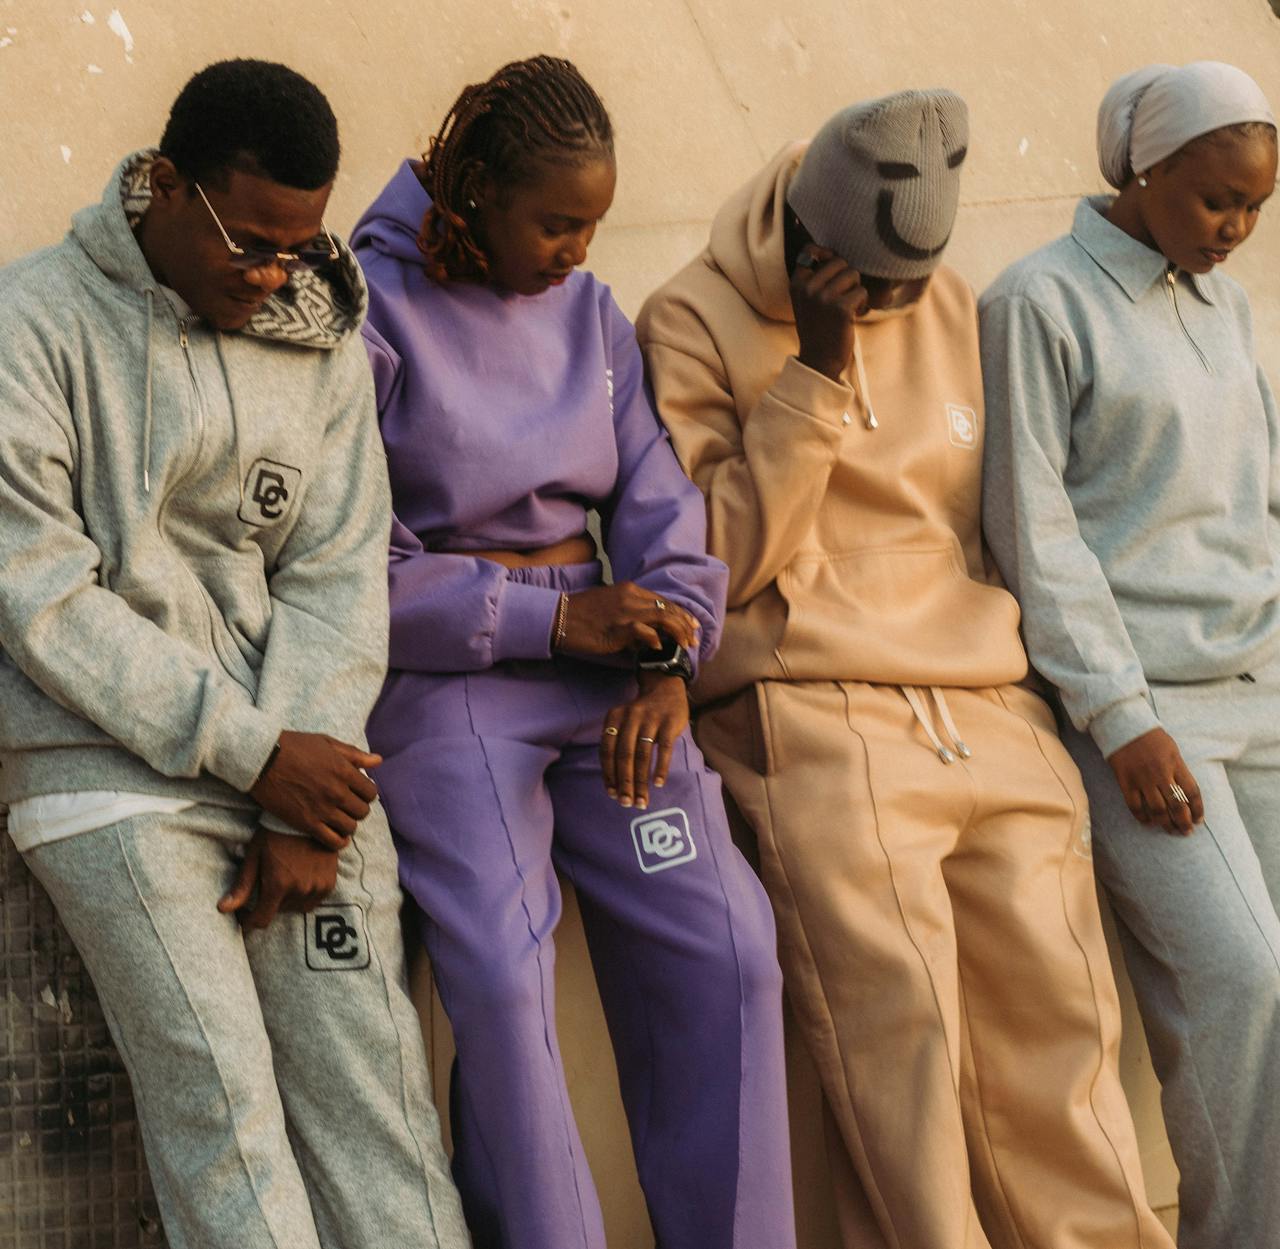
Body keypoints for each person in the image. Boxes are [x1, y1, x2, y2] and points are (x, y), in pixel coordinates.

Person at [638, 90, 1173, 1249]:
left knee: (1062, 1039)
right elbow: (712, 562)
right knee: (904, 1048)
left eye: (906, 285)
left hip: (983, 704)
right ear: (810, 242)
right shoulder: (685, 319)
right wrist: (816, 378)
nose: (893, 307)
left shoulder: (945, 297)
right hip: (814, 709)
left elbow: (985, 524)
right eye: (870, 285)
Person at [0, 60, 468, 1249]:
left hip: (304, 773)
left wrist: (299, 797)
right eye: (249, 242)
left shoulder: (317, 343)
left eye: (296, 249)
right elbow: (42, 595)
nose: (271, 277)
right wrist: (253, 755)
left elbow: (335, 570)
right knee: (223, 1109)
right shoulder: (31, 323)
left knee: (380, 1116)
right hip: (106, 771)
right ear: (163, 185)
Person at [350, 54, 793, 1249]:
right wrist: (555, 619)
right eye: (555, 222)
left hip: (610, 687)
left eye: (593, 223)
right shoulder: (364, 308)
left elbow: (661, 511)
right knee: (498, 974)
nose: (579, 250)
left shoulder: (592, 318)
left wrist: (665, 660)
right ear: (476, 190)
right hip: (454, 691)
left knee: (731, 946)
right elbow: (355, 570)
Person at [980, 61, 1278, 1249]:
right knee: (1242, 983)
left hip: (1261, 681)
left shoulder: (1226, 304)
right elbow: (1031, 528)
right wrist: (1117, 713)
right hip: (1148, 720)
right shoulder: (1034, 303)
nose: (1235, 229)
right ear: (1141, 170)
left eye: (1255, 207)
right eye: (1214, 201)